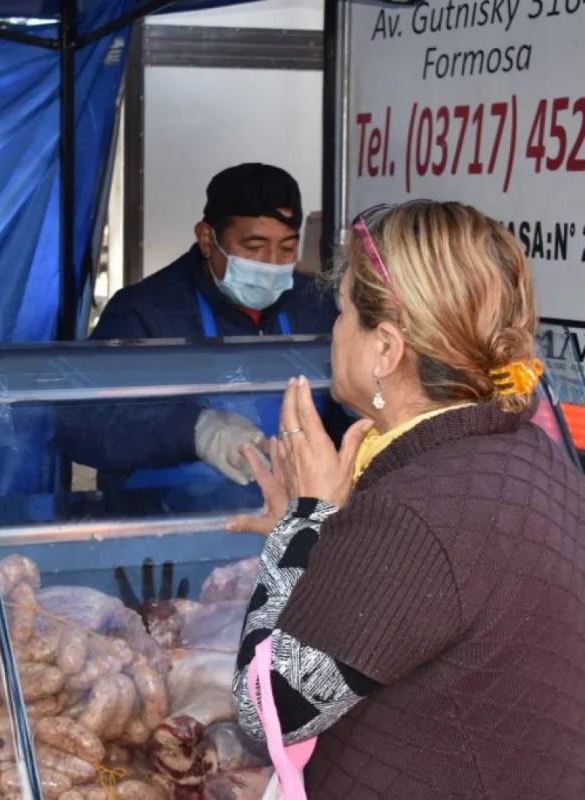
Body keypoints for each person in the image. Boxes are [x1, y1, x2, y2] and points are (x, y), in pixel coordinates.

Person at [228, 200, 585, 797]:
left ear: (387, 350)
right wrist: (318, 536)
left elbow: (265, 712)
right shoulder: (527, 450)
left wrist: (305, 520)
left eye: (344, 312)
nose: (335, 330)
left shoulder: (414, 514)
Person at [60, 163, 347, 507]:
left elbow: (345, 410)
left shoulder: (316, 305)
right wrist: (196, 431)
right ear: (207, 238)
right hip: (170, 518)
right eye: (254, 246)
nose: (271, 263)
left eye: (286, 248)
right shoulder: (144, 313)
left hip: (291, 516)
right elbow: (80, 425)